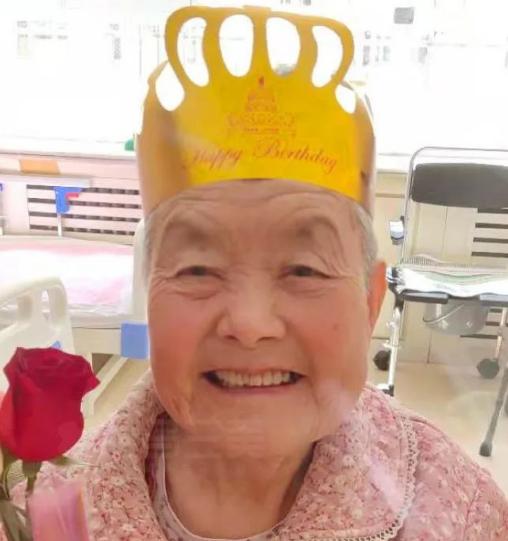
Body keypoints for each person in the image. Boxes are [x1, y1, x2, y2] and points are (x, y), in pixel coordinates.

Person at [2, 6, 507, 541]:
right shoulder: (42, 515)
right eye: (197, 269)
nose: (248, 323)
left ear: (370, 301)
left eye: (304, 269)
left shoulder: (460, 515)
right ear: (148, 294)